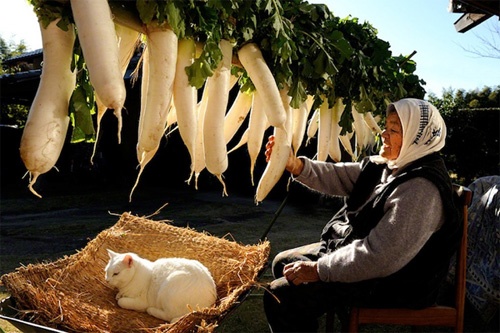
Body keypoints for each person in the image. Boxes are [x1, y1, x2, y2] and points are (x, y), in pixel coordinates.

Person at [262, 98, 460, 332]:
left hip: (395, 282)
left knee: (279, 296)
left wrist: (319, 269)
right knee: (282, 262)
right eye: (386, 127)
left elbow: (379, 255)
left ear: (417, 137)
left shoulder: (421, 189)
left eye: (394, 130)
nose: (384, 134)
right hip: (373, 266)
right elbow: (340, 175)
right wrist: (296, 166)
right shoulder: (391, 165)